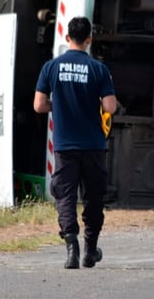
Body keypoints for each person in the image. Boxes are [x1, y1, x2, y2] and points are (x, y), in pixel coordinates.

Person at [33, 16, 117, 269]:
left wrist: (57, 105)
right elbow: (110, 107)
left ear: (67, 38)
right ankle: (90, 250)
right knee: (93, 197)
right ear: (89, 39)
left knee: (65, 195)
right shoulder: (99, 69)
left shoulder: (51, 67)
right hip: (93, 145)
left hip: (65, 145)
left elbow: (38, 105)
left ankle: (71, 247)